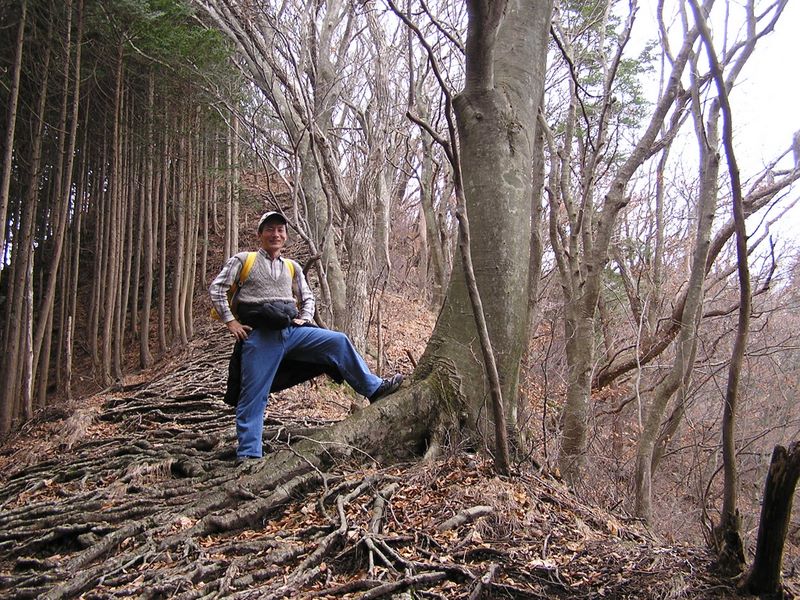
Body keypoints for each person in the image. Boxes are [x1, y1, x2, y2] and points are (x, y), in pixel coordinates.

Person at [210, 211, 403, 461]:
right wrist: (231, 321)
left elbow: (307, 295)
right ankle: (249, 456)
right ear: (260, 235)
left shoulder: (292, 267)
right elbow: (218, 288)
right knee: (253, 395)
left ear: (285, 236)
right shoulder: (243, 260)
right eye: (269, 229)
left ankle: (374, 389)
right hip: (259, 336)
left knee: (338, 341)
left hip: (292, 331)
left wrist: (306, 316)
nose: (275, 234)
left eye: (280, 230)